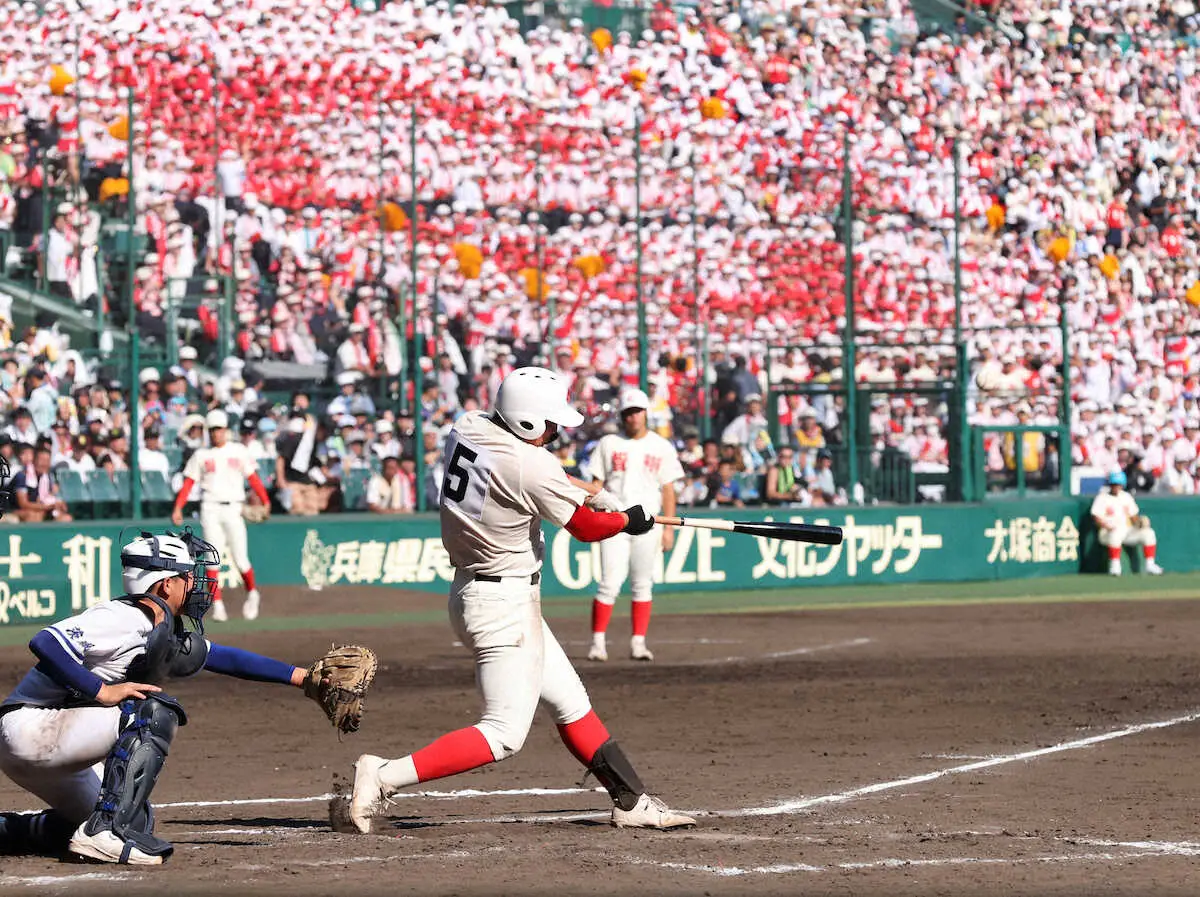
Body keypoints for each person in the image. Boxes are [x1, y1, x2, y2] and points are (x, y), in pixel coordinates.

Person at [338, 367, 694, 834]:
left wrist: (591, 491)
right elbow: (586, 528)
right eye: (550, 423)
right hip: (501, 605)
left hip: (482, 593)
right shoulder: (531, 466)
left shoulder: (469, 425)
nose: (555, 432)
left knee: (571, 703)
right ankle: (384, 775)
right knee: (504, 733)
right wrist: (629, 519)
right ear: (526, 422)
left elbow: (533, 471)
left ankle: (631, 800)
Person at [0, 531, 333, 864]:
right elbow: (45, 642)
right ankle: (105, 833)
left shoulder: (159, 627)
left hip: (52, 746)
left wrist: (304, 679)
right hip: (29, 727)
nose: (195, 584)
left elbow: (223, 657)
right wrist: (101, 691)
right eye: (187, 576)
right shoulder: (122, 617)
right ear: (165, 584)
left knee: (135, 817)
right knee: (153, 713)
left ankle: (16, 830)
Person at [583, 388, 685, 663]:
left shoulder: (661, 446)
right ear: (622, 415)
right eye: (628, 412)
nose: (633, 417)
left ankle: (638, 643)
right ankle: (598, 642)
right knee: (609, 583)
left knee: (642, 584)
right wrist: (595, 511)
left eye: (637, 411)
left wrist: (669, 528)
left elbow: (668, 489)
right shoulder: (609, 443)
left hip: (649, 522)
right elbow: (596, 482)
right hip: (615, 520)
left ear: (645, 413)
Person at [171, 410, 271, 621]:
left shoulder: (239, 450)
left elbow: (253, 478)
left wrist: (266, 500)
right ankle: (218, 605)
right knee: (211, 559)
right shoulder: (201, 455)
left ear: (226, 430)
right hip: (210, 508)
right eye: (213, 429)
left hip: (234, 507)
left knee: (240, 558)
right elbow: (189, 483)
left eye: (219, 429)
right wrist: (178, 507)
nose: (216, 433)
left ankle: (252, 593)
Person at [1090, 471, 1163, 576]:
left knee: (1148, 533)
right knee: (1115, 534)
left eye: (1118, 484)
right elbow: (1096, 517)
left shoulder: (1126, 497)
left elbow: (1134, 517)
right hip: (1107, 532)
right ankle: (1115, 566)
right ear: (1110, 485)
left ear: (1122, 485)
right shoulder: (1102, 497)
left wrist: (1140, 523)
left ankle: (1150, 565)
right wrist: (1106, 526)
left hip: (1126, 531)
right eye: (1114, 484)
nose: (1116, 487)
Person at [11, 445, 72, 522]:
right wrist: (46, 507)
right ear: (34, 460)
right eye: (42, 460)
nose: (45, 464)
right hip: (14, 510)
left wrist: (59, 504)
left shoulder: (46, 477)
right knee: (34, 516)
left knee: (66, 518)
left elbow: (48, 498)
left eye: (47, 461)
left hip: (40, 509)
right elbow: (23, 504)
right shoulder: (22, 476)